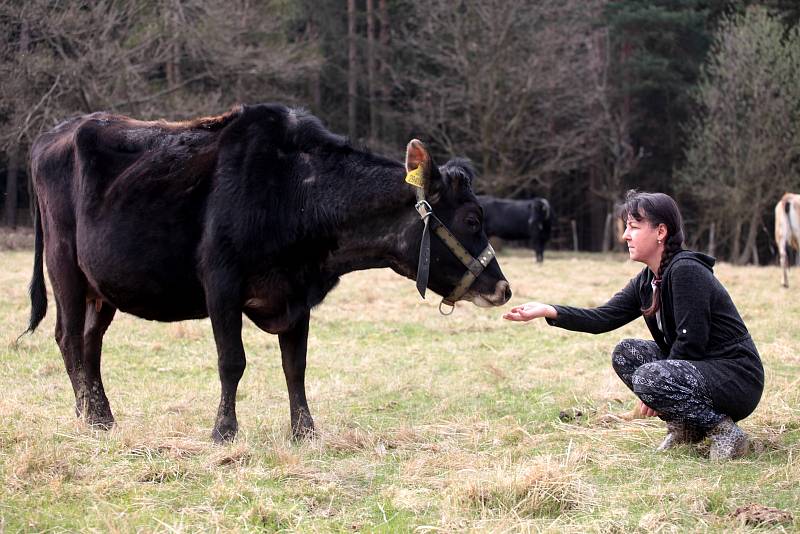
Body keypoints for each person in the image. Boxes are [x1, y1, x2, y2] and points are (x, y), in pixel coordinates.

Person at [503, 190, 764, 460]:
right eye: (626, 227)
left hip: (737, 378)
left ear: (660, 231)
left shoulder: (686, 270)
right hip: (702, 372)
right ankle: (685, 427)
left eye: (634, 227)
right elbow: (603, 317)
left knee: (649, 375)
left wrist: (657, 384)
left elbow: (692, 341)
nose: (625, 235)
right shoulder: (647, 280)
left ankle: (723, 432)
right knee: (626, 353)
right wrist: (549, 309)